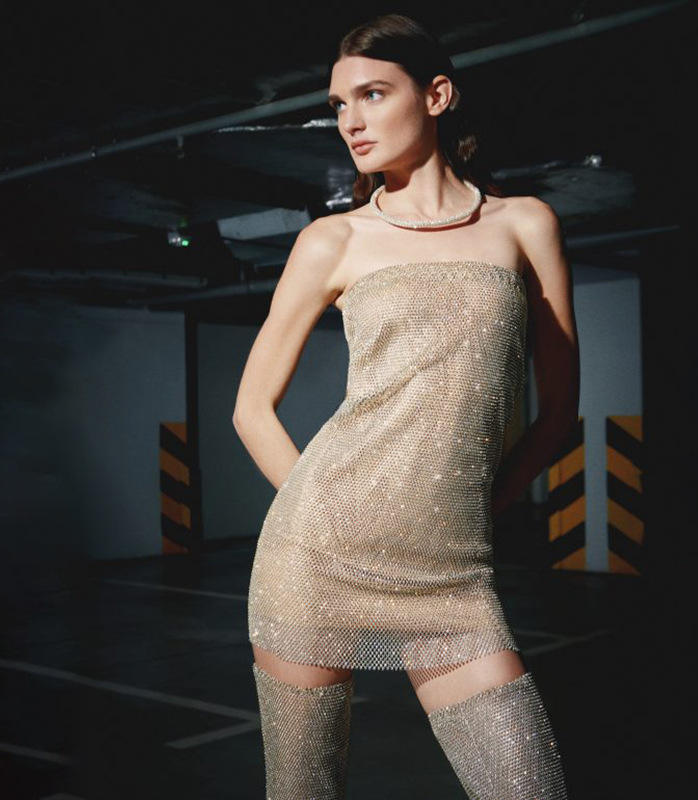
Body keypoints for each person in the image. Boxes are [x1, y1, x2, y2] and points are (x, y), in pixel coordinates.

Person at [233, 12, 579, 800]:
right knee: (304, 791)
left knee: (530, 788)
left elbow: (559, 413)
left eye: (372, 94)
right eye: (338, 104)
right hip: (316, 559)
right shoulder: (334, 240)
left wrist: (477, 507)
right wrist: (324, 519)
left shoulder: (525, 224)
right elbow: (251, 408)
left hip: (452, 578)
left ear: (437, 95)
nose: (349, 121)